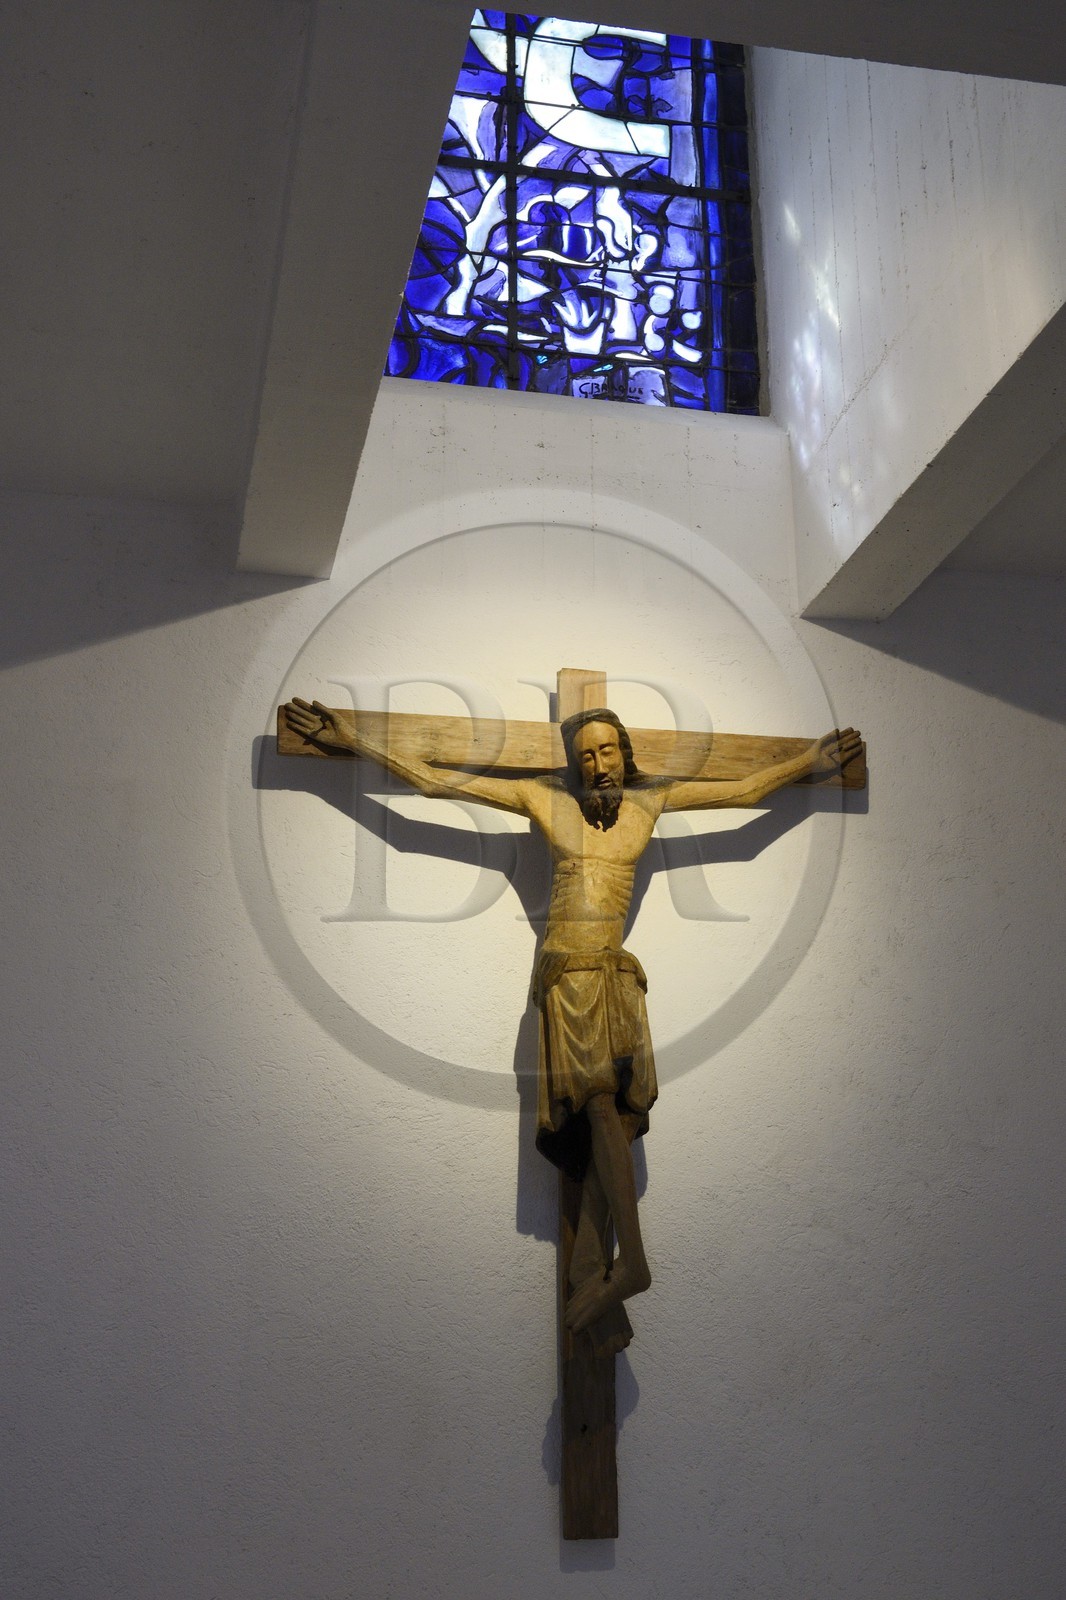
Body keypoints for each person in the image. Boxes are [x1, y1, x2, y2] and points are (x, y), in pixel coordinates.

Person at [283, 695, 862, 1345]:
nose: (598, 764)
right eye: (585, 755)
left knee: (610, 1117)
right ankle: (635, 1264)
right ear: (574, 765)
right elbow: (436, 781)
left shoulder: (650, 805)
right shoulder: (544, 802)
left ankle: (594, 1270)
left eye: (608, 750)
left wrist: (810, 761)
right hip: (565, 976)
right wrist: (355, 738)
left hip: (615, 974)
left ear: (625, 754)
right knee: (594, 1104)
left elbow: (745, 790)